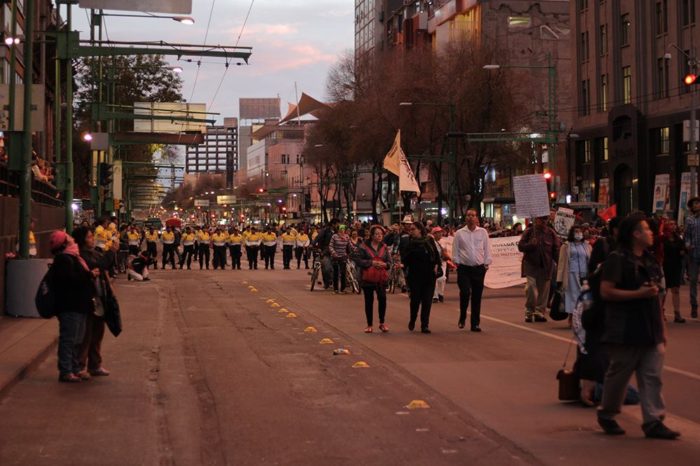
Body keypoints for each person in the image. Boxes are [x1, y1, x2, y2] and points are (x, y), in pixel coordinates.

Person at [596, 212, 679, 439]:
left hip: (650, 327)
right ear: (635, 234)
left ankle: (653, 421)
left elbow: (655, 297)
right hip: (625, 329)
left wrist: (662, 327)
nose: (652, 233)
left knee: (652, 376)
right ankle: (607, 412)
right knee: (618, 376)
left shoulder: (650, 260)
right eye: (647, 229)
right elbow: (606, 291)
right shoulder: (617, 259)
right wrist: (637, 294)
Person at [48, 230, 97, 383]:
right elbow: (70, 281)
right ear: (64, 244)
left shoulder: (73, 257)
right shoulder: (64, 259)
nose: (71, 239)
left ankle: (75, 368)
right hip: (70, 305)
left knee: (78, 338)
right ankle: (66, 370)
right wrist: (89, 275)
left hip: (80, 304)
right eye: (68, 238)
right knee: (69, 339)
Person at [72, 226, 111, 379]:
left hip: (99, 298)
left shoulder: (94, 253)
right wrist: (111, 252)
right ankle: (80, 366)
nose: (92, 239)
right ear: (82, 240)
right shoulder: (81, 256)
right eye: (89, 237)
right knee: (86, 334)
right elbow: (100, 265)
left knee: (97, 333)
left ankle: (95, 365)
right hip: (88, 299)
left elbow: (102, 269)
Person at [452, 210, 492, 331]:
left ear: (476, 218)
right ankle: (463, 315)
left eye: (473, 216)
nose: (470, 217)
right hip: (464, 268)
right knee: (465, 292)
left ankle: (475, 323)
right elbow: (456, 250)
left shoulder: (483, 232)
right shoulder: (459, 233)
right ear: (466, 218)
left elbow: (487, 248)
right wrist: (457, 262)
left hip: (479, 268)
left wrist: (486, 263)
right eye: (468, 215)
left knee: (476, 296)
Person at [518, 216, 561, 323]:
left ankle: (539, 312)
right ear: (536, 219)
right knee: (531, 288)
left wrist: (560, 264)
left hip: (546, 266)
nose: (543, 221)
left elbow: (556, 250)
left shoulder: (551, 233)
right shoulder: (528, 232)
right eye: (541, 219)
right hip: (531, 265)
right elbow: (521, 246)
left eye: (545, 219)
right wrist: (530, 245)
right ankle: (529, 311)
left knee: (544, 291)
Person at [403, 221, 442, 333]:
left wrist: (436, 265)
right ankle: (412, 319)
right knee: (415, 301)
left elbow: (436, 256)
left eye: (413, 229)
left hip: (429, 276)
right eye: (410, 229)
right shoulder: (410, 243)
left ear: (420, 229)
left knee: (427, 301)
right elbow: (405, 259)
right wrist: (402, 265)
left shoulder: (429, 240)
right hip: (415, 276)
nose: (411, 231)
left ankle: (425, 325)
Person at [354, 225, 392, 333]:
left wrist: (384, 264)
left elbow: (390, 262)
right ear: (371, 235)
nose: (379, 236)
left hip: (381, 278)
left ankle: (382, 323)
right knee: (369, 301)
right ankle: (369, 324)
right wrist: (371, 263)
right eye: (376, 234)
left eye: (381, 234)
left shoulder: (384, 247)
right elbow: (358, 260)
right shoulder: (363, 246)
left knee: (382, 299)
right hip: (368, 278)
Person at [557, 225, 592, 324]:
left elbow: (590, 259)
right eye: (576, 231)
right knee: (573, 295)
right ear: (572, 233)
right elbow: (562, 263)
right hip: (571, 273)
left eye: (580, 231)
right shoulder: (566, 246)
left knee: (583, 295)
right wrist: (559, 279)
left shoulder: (587, 245)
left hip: (585, 274)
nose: (579, 233)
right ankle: (572, 316)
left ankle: (580, 316)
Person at [662, 220, 686, 323]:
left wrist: (684, 251)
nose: (673, 226)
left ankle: (677, 313)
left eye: (674, 224)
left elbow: (683, 249)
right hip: (665, 266)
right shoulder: (663, 238)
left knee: (676, 289)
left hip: (676, 266)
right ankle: (661, 312)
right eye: (670, 224)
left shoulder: (678, 239)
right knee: (664, 290)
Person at [685, 196, 700, 319]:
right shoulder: (689, 219)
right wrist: (688, 245)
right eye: (694, 204)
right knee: (693, 280)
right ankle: (694, 305)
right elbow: (687, 236)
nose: (696, 205)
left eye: (697, 203)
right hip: (694, 254)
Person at [330, 225, 351, 293]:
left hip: (343, 256)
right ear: (338, 230)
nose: (342, 230)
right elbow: (331, 246)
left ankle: (343, 288)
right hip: (335, 256)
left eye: (343, 229)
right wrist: (333, 253)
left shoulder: (347, 236)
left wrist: (355, 249)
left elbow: (350, 245)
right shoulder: (334, 236)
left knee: (343, 272)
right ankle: (335, 288)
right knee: (336, 272)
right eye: (341, 229)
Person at [431, 227, 447, 303]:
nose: (440, 234)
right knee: (435, 278)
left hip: (443, 262)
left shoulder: (444, 241)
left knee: (442, 278)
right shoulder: (432, 242)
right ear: (434, 234)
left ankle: (441, 293)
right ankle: (435, 296)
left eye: (441, 232)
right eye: (438, 232)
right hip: (435, 263)